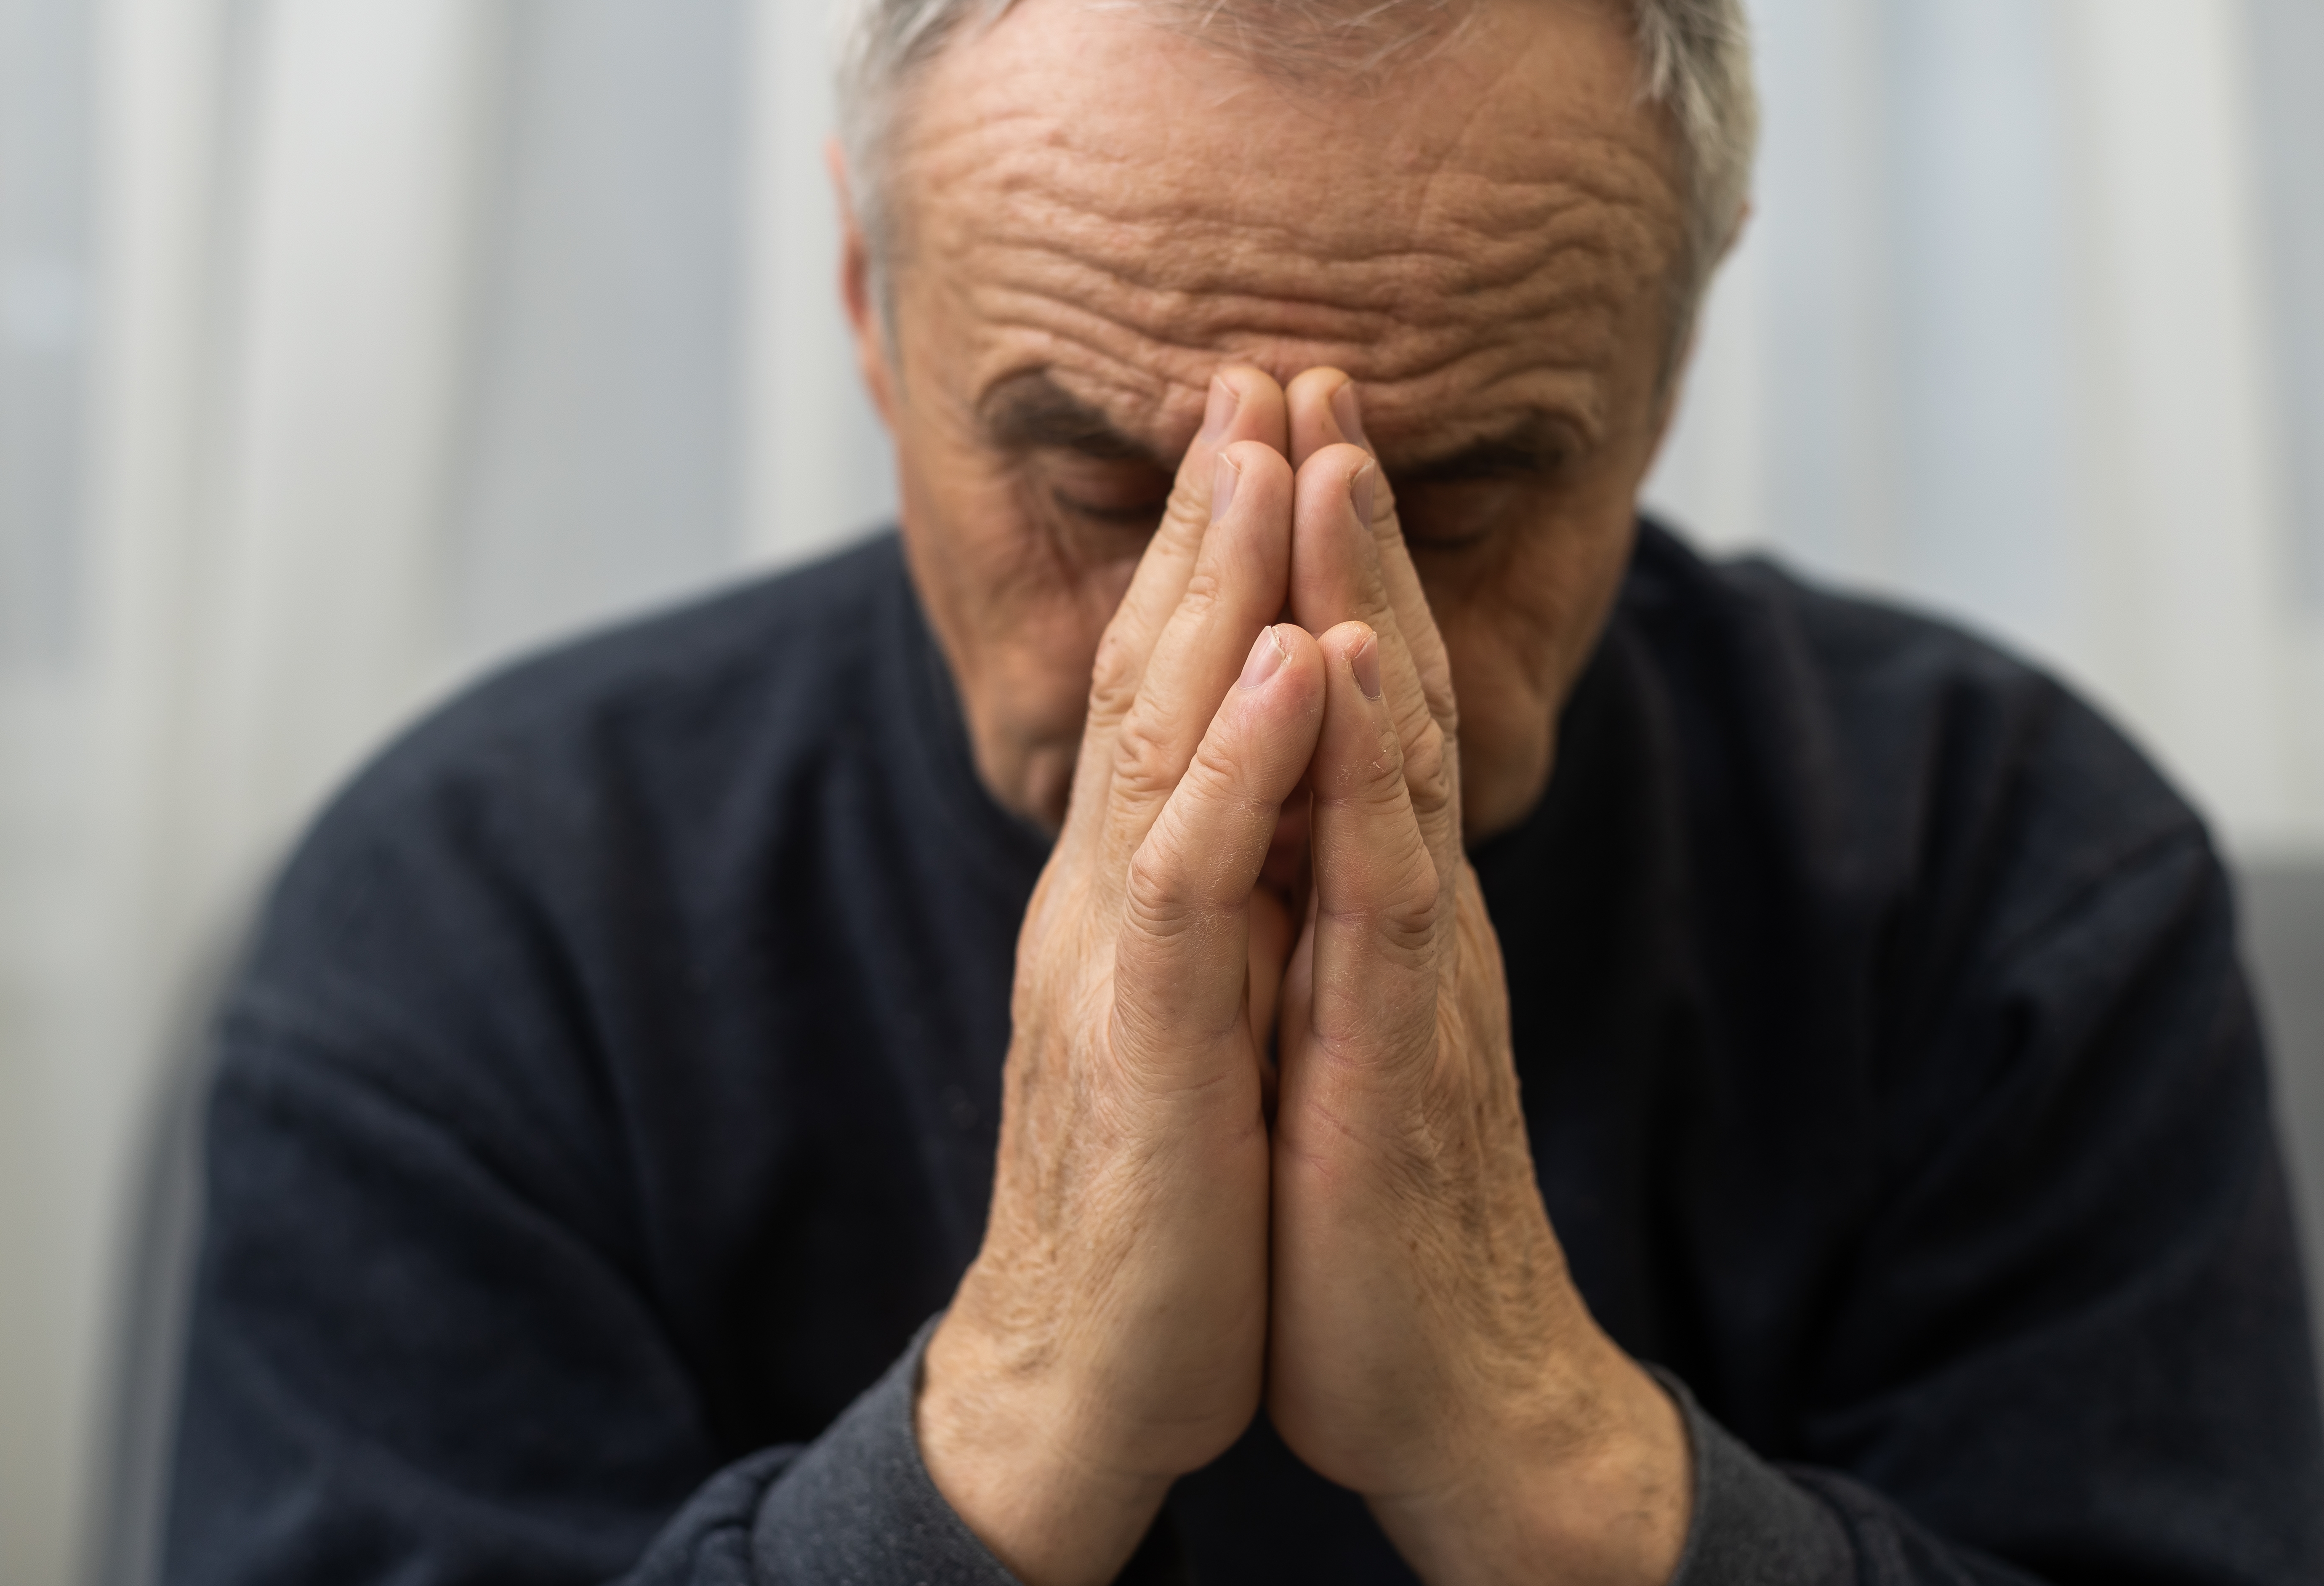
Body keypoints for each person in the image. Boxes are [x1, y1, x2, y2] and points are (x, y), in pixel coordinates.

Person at [160, 0, 2324, 1581]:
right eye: (1106, 489)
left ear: (1670, 362)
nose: (1272, 654)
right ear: (866, 309)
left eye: (1456, 507)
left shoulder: (2011, 879)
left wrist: (1552, 1458)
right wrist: (1004, 1431)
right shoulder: (481, 919)